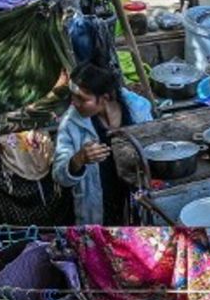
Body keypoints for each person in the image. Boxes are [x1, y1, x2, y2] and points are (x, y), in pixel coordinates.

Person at [52, 62, 155, 225]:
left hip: (137, 198)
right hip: (98, 206)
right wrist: (78, 160)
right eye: (72, 95)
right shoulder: (71, 124)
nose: (74, 103)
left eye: (82, 99)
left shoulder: (138, 110)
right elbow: (59, 176)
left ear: (105, 98)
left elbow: (153, 150)